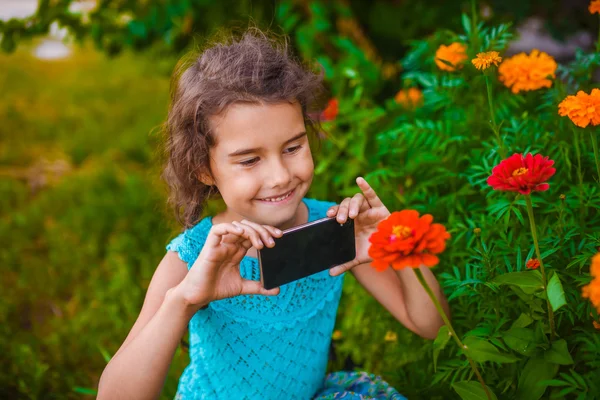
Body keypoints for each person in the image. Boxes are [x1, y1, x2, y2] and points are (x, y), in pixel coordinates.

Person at [97, 28, 449, 400]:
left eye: (293, 147)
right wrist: (184, 301)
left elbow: (432, 326)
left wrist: (397, 245)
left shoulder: (333, 230)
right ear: (203, 169)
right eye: (249, 160)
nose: (280, 177)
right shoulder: (191, 257)